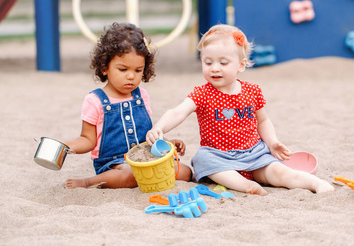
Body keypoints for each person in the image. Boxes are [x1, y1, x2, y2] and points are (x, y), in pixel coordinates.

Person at [146, 24, 334, 195]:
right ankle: (246, 186)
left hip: (254, 153)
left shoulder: (252, 91)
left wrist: (272, 142)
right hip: (218, 155)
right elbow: (178, 112)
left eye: (223, 62)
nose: (215, 68)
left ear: (241, 65)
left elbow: (263, 121)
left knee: (280, 172)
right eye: (208, 62)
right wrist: (159, 128)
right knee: (203, 160)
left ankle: (315, 183)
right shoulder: (202, 93)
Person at [64, 22, 192, 189]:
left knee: (185, 172)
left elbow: (145, 132)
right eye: (123, 70)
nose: (131, 76)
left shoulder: (141, 96)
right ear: (104, 68)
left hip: (144, 157)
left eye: (138, 70)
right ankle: (88, 182)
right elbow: (87, 140)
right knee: (129, 174)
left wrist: (166, 142)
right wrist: (66, 147)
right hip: (114, 163)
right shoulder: (95, 100)